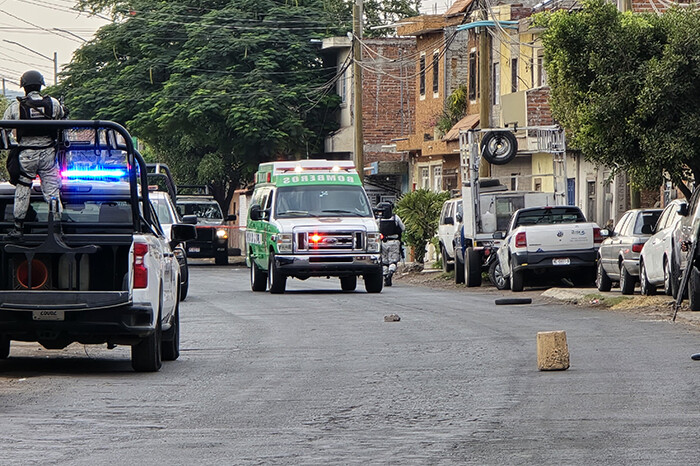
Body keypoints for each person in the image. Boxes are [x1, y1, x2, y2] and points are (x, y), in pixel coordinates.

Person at [2, 70, 67, 239]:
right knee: (52, 192)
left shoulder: (16, 106)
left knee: (23, 188)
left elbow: (4, 129)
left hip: (26, 155)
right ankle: (57, 229)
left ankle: (18, 228)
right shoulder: (53, 103)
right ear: (40, 85)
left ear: (24, 87)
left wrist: (11, 146)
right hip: (48, 153)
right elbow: (62, 117)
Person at [376, 201, 405, 286]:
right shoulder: (395, 218)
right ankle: (390, 274)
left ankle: (385, 276)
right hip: (394, 242)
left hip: (383, 242)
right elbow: (403, 228)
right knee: (393, 261)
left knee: (384, 262)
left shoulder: (378, 220)